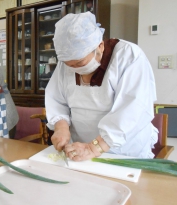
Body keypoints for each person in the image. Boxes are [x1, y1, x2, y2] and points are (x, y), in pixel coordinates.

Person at [46, 12, 158, 161]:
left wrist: (95, 147)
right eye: (69, 65)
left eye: (79, 63)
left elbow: (133, 110)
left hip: (123, 151)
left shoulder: (128, 56)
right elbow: (56, 98)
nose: (74, 69)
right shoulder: (66, 61)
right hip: (80, 150)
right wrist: (61, 126)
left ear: (99, 46)